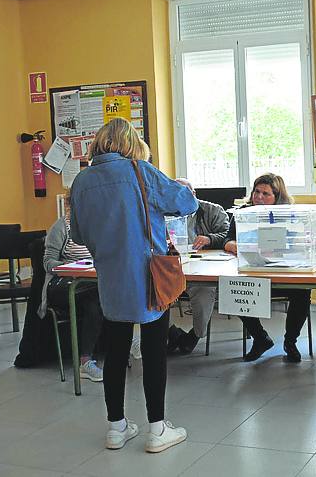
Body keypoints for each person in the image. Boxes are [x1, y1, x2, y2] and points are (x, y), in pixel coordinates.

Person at [70, 118, 198, 453]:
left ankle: (116, 427)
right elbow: (186, 205)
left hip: (110, 279)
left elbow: (78, 235)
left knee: (115, 351)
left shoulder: (81, 181)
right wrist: (184, 188)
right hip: (148, 276)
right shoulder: (139, 171)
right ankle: (157, 429)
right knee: (154, 351)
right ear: (132, 144)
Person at [223, 173, 312, 363]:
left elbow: (298, 243)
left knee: (303, 292)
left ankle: (290, 342)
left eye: (265, 193)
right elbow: (227, 240)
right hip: (253, 271)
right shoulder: (242, 213)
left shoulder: (288, 214)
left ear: (277, 196)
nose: (259, 197)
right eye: (256, 191)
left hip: (283, 272)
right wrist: (236, 246)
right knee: (234, 289)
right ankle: (260, 338)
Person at [40, 189, 104, 382]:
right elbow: (48, 262)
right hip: (62, 285)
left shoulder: (97, 226)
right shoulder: (61, 227)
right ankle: (85, 361)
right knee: (96, 300)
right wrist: (71, 266)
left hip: (91, 282)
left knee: (107, 293)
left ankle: (130, 343)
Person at [166, 178, 230, 354]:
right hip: (173, 265)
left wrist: (209, 239)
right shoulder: (164, 212)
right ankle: (171, 332)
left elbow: (227, 234)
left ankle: (196, 333)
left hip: (203, 266)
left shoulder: (213, 210)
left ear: (193, 195)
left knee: (203, 289)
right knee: (152, 289)